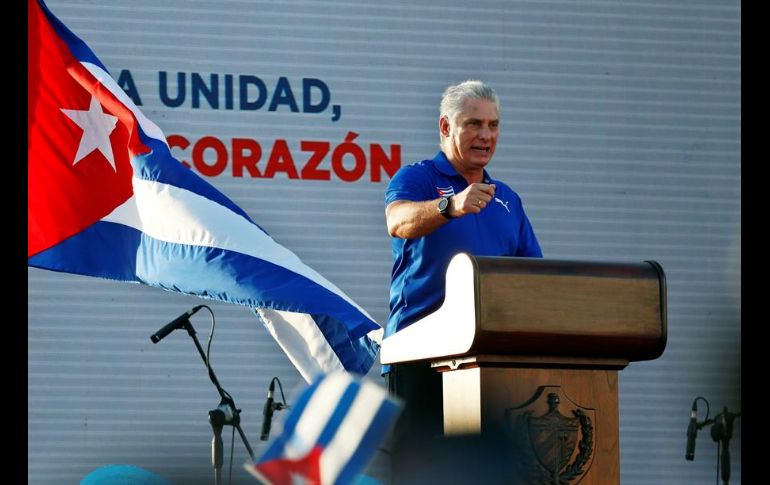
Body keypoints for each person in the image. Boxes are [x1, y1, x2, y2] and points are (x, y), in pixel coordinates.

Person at [383, 79, 543, 481]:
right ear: (445, 127)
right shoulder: (417, 178)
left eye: (493, 125)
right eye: (473, 124)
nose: (485, 135)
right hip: (420, 358)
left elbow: (534, 278)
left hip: (491, 362)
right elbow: (397, 221)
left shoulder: (506, 198)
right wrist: (449, 206)